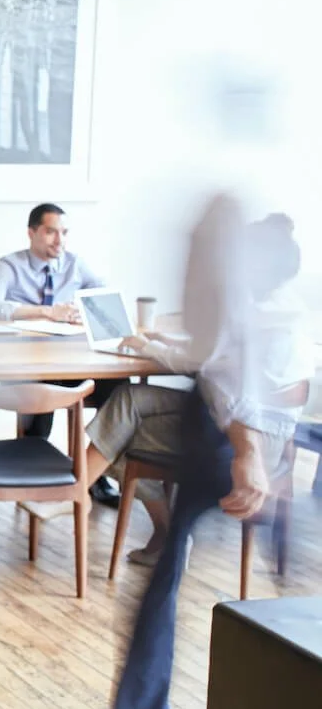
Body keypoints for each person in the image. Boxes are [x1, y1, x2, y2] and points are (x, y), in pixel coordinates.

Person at [101, 203, 307, 709]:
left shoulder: (245, 291)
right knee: (172, 587)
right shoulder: (254, 302)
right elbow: (220, 371)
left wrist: (251, 454)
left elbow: (221, 371)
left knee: (168, 586)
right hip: (230, 438)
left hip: (231, 439)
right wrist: (249, 453)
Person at [80, 219, 312, 566]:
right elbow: (217, 350)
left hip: (247, 441)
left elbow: (203, 359)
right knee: (127, 401)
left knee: (120, 434)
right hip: (255, 430)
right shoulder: (284, 306)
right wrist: (163, 340)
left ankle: (79, 494)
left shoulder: (258, 315)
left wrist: (146, 345)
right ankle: (156, 529)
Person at [0, 203, 121, 501]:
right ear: (32, 233)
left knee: (118, 386)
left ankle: (95, 472)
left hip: (68, 360)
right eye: (51, 232)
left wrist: (87, 310)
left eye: (64, 233)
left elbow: (105, 296)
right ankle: (33, 474)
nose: (60, 240)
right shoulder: (9, 265)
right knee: (41, 384)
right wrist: (46, 312)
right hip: (22, 365)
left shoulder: (75, 265)